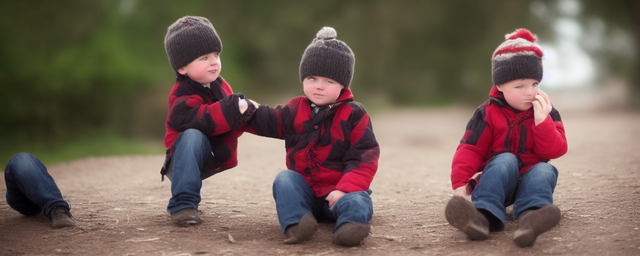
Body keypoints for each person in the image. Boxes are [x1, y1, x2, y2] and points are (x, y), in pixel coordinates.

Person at [247, 26, 380, 246]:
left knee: (359, 199)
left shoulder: (354, 114)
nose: (319, 87)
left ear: (343, 85)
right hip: (305, 194)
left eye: (329, 82)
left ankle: (350, 227)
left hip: (339, 193)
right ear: (303, 78)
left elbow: (364, 156)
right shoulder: (294, 108)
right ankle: (297, 222)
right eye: (312, 78)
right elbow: (268, 120)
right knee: (284, 179)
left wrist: (344, 189)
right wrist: (245, 110)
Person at [444, 28, 568, 247]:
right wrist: (461, 184)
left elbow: (555, 151)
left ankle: (532, 217)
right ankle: (482, 216)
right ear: (500, 86)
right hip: (495, 183)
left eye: (534, 84)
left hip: (529, 182)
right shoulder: (487, 112)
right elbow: (470, 148)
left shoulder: (546, 111)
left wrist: (543, 122)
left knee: (545, 169)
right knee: (505, 159)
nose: (529, 92)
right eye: (519, 86)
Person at [161, 15, 258, 227]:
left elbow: (236, 120)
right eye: (204, 58)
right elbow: (202, 119)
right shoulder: (181, 95)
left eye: (215, 54)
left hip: (213, 154)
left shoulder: (221, 86)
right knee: (193, 134)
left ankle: (189, 190)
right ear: (182, 68)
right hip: (183, 159)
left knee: (251, 111)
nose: (214, 61)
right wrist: (233, 108)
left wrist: (268, 117)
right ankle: (183, 204)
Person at [4, 152, 76, 228]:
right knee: (20, 158)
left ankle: (57, 207)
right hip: (23, 202)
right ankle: (54, 204)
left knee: (21, 159)